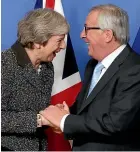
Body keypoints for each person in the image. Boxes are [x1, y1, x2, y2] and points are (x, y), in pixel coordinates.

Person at [40, 4, 140, 151]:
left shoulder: (135, 69)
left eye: (87, 28)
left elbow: (116, 123)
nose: (81, 34)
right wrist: (68, 113)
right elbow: (86, 109)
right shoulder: (93, 65)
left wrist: (65, 121)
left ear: (107, 35)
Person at [1, 8, 69, 151]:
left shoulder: (47, 67)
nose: (63, 46)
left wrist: (51, 114)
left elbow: (36, 108)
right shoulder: (4, 64)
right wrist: (40, 119)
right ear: (39, 41)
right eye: (59, 40)